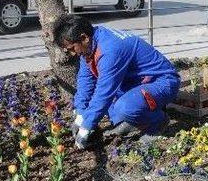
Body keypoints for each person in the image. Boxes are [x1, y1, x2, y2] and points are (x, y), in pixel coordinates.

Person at [52, 14, 181, 149]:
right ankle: (133, 120)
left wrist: (86, 127)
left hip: (161, 82)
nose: (72, 53)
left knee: (124, 107)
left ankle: (157, 122)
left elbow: (104, 92)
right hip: (135, 83)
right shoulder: (90, 45)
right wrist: (80, 114)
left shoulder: (110, 50)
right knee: (103, 103)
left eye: (72, 48)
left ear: (84, 38)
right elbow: (86, 79)